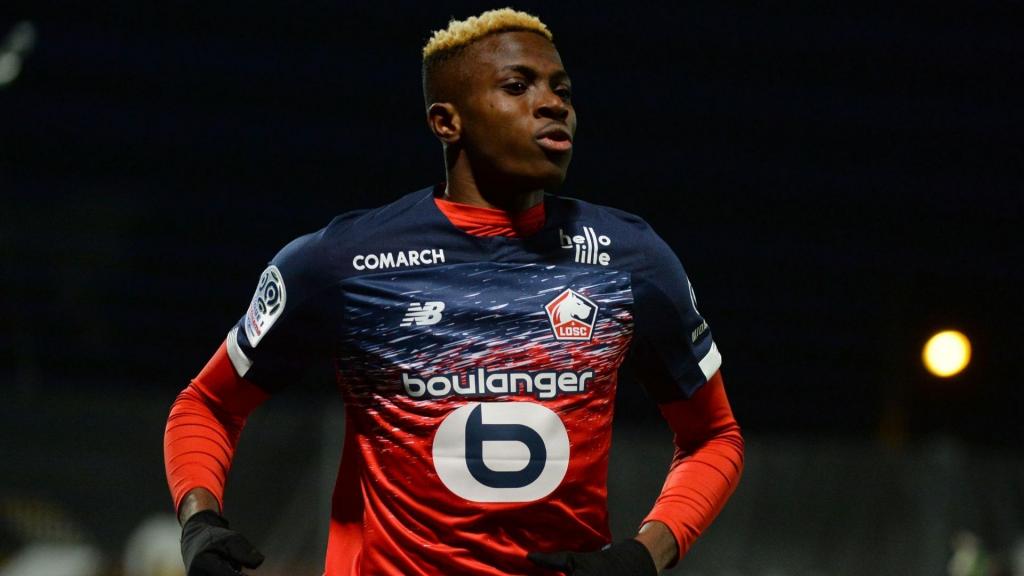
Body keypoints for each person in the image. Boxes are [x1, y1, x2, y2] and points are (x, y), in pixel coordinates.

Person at [163, 8, 744, 576]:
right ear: (447, 122)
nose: (554, 104)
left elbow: (713, 436)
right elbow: (207, 405)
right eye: (518, 86)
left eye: (561, 89)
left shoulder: (630, 259)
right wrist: (199, 520)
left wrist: (646, 554)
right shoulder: (344, 262)